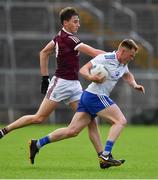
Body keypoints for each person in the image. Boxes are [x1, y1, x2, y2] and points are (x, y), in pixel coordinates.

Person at [0, 7, 120, 169]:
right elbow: (94, 52)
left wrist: (44, 77)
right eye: (75, 21)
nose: (78, 24)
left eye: (78, 21)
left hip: (74, 86)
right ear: (66, 23)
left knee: (90, 120)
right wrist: (114, 57)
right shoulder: (70, 39)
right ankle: (2, 131)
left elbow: (44, 53)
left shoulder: (59, 37)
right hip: (61, 84)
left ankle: (102, 158)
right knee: (39, 118)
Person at [29, 39, 145, 168]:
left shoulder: (123, 64)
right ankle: (105, 155)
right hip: (95, 96)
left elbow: (127, 75)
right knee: (120, 121)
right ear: (123, 51)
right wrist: (91, 77)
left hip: (89, 97)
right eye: (131, 55)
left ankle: (37, 144)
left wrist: (135, 85)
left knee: (72, 131)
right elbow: (84, 69)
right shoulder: (105, 58)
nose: (132, 58)